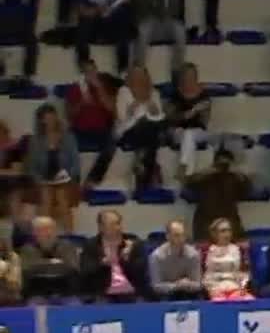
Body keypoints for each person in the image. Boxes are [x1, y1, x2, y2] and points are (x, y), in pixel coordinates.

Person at [63, 59, 119, 190]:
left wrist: (100, 90)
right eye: (87, 71)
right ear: (82, 73)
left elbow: (113, 111)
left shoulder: (104, 86)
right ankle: (73, 180)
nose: (90, 74)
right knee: (67, 142)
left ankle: (92, 179)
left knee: (112, 143)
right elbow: (69, 116)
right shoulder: (75, 88)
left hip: (101, 131)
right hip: (79, 130)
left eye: (93, 70)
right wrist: (82, 103)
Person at [25, 105, 81, 233]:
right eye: (47, 118)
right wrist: (39, 180)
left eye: (52, 117)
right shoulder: (35, 141)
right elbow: (32, 167)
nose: (50, 120)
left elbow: (75, 162)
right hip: (44, 178)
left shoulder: (68, 137)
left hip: (65, 177)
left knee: (62, 196)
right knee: (46, 197)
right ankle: (44, 235)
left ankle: (69, 234)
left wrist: (69, 177)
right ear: (41, 121)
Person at [114, 65, 167, 192]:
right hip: (128, 130)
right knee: (147, 128)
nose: (139, 79)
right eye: (135, 76)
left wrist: (152, 108)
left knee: (151, 127)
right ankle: (151, 170)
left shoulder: (154, 93)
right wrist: (133, 107)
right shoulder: (123, 92)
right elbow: (121, 118)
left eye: (141, 75)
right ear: (130, 78)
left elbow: (160, 116)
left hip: (150, 128)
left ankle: (141, 166)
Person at [79, 209, 148, 303]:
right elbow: (85, 271)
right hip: (102, 293)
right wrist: (102, 263)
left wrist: (125, 259)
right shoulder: (91, 245)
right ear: (101, 227)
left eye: (118, 223)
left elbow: (141, 272)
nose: (117, 227)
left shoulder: (134, 243)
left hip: (131, 292)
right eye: (112, 224)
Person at [184, 147, 249, 240]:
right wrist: (209, 170)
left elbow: (247, 189)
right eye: (220, 163)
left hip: (229, 218)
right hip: (205, 219)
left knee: (240, 244)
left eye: (226, 163)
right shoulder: (207, 176)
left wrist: (236, 171)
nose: (223, 166)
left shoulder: (234, 177)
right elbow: (189, 184)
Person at [167, 62, 213, 178]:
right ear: (182, 78)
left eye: (192, 76)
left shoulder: (204, 94)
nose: (190, 79)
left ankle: (183, 166)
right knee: (187, 136)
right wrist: (184, 115)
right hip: (178, 131)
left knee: (190, 135)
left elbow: (205, 121)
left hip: (199, 131)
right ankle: (189, 174)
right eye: (187, 76)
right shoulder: (175, 94)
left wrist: (202, 111)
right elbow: (170, 117)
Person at [19, 217, 79, 302]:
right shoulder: (27, 249)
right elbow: (27, 270)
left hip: (65, 292)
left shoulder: (67, 246)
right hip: (37, 293)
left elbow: (72, 267)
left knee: (74, 306)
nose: (48, 233)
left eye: (51, 229)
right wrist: (56, 263)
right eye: (43, 230)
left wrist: (40, 265)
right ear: (34, 233)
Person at [75, 0, 135, 74]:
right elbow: (81, 10)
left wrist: (111, 9)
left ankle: (123, 69)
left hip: (113, 22)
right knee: (84, 24)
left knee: (123, 16)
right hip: (94, 24)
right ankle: (84, 65)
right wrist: (97, 11)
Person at [148, 219, 204, 300]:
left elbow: (198, 284)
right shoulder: (156, 256)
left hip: (189, 293)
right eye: (177, 235)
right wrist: (176, 285)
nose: (181, 239)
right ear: (167, 236)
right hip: (166, 295)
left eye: (183, 235)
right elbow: (156, 286)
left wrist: (187, 284)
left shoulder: (193, 254)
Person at [134, 0, 186, 74]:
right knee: (143, 33)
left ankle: (176, 71)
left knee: (181, 33)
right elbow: (144, 5)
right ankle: (140, 69)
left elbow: (177, 9)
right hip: (152, 19)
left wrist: (168, 16)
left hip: (170, 20)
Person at [202, 217, 250, 300]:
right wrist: (211, 290)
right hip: (215, 289)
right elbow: (204, 276)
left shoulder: (238, 250)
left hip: (235, 287)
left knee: (248, 300)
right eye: (223, 231)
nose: (227, 234)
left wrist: (243, 289)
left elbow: (245, 274)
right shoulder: (206, 251)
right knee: (220, 303)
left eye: (229, 230)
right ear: (215, 234)